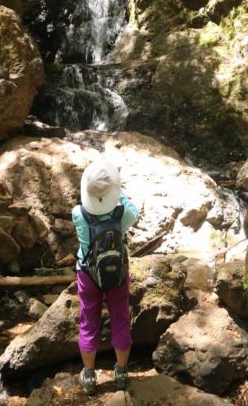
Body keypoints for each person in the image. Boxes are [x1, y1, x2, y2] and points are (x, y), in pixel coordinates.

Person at [72, 159, 139, 396]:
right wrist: (118, 194)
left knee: (89, 322)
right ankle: (121, 372)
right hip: (118, 273)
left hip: (88, 273)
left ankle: (89, 376)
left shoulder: (78, 214)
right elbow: (134, 210)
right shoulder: (123, 214)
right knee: (120, 318)